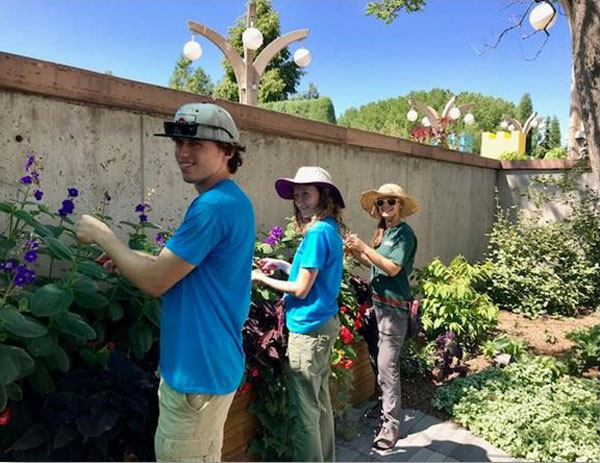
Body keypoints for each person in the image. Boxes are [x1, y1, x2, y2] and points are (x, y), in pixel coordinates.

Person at [75, 103, 255, 462]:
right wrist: (131, 260)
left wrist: (103, 235)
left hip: (196, 373)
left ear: (228, 151)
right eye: (178, 143)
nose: (182, 153)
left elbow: (157, 280)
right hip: (209, 366)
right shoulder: (231, 201)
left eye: (196, 144)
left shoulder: (211, 208)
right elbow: (175, 268)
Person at [251, 166, 345, 462]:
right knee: (319, 404)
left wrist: (261, 278)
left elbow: (302, 289)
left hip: (308, 330)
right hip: (324, 325)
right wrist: (279, 266)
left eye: (306, 193)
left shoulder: (317, 232)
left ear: (323, 195)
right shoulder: (328, 228)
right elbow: (312, 276)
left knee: (304, 413)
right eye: (296, 195)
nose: (300, 200)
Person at [345, 183, 419, 451]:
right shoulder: (383, 232)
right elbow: (375, 265)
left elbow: (390, 268)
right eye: (381, 203)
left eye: (391, 202)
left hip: (394, 308)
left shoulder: (404, 234)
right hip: (377, 304)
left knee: (388, 365)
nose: (385, 207)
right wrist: (358, 253)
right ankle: (386, 406)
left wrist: (364, 247)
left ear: (400, 205)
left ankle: (391, 424)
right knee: (378, 360)